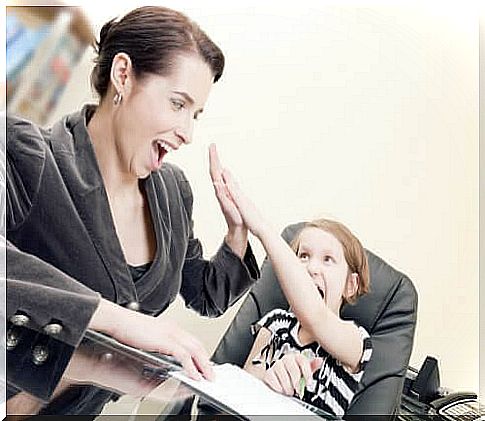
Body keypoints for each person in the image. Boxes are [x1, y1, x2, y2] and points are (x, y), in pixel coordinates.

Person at [5, 6, 259, 415]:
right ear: (122, 75)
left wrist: (237, 236)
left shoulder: (174, 193)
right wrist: (116, 322)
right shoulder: (26, 154)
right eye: (178, 104)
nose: (188, 133)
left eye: (195, 114)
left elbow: (203, 294)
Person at [214, 163, 373, 417]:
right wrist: (269, 381)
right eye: (303, 256)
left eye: (328, 259)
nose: (311, 268)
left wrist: (262, 229)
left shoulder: (357, 340)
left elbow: (316, 317)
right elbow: (238, 399)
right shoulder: (275, 323)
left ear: (350, 285)